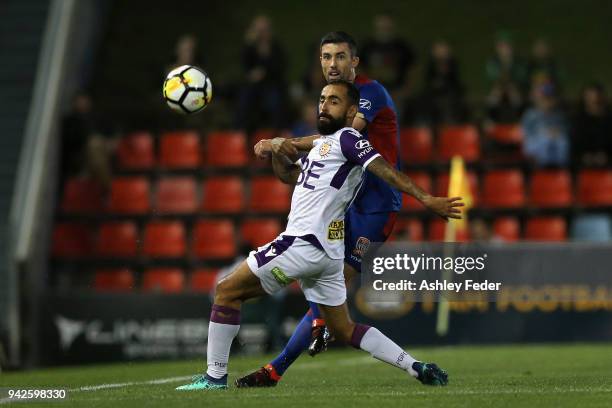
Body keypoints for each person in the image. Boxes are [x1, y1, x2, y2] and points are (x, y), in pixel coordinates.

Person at [176, 81, 462, 391]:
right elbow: (289, 176)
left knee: (226, 291)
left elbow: (385, 170)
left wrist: (426, 198)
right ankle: (415, 366)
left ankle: (215, 378)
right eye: (322, 99)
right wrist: (276, 150)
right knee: (345, 329)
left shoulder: (349, 139)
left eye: (334, 101)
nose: (324, 105)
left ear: (351, 111)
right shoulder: (324, 147)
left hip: (303, 242)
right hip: (327, 255)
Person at [238, 31, 437, 388]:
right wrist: (284, 154)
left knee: (336, 284)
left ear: (354, 62)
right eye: (326, 57)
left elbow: (342, 137)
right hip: (342, 199)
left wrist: (283, 143)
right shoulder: (329, 102)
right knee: (324, 281)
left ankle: (280, 364)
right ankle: (309, 336)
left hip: (375, 205)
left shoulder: (370, 94)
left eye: (340, 57)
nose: (333, 65)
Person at [234, 15, 288, 133]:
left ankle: (277, 135)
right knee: (244, 100)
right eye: (259, 30)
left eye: (264, 30)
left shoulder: (275, 47)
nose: (261, 33)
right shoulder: (250, 47)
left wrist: (266, 58)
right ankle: (241, 135)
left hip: (272, 85)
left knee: (276, 102)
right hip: (254, 86)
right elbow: (245, 68)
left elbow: (280, 69)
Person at [522, 82, 569, 166]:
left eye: (550, 98)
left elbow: (565, 129)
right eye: (544, 98)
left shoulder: (558, 115)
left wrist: (556, 132)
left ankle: (561, 169)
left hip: (554, 141)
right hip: (534, 142)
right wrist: (544, 132)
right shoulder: (531, 114)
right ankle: (543, 169)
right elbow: (526, 133)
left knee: (562, 141)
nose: (547, 101)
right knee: (545, 140)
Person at [571, 83, 612, 167]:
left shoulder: (609, 120)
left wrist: (606, 156)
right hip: (581, 164)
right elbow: (574, 145)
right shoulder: (578, 120)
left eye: (597, 98)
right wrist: (584, 157)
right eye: (590, 97)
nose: (594, 101)